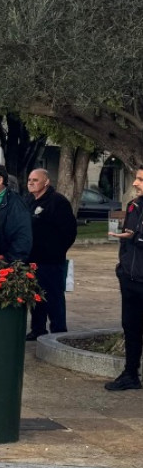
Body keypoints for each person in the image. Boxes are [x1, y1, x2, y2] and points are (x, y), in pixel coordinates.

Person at [24, 168, 78, 340]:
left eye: (35, 180)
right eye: (29, 180)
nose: (31, 183)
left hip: (51, 260)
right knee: (35, 295)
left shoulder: (57, 202)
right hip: (31, 258)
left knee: (53, 296)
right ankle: (38, 329)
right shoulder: (28, 201)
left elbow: (69, 231)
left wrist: (56, 251)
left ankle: (58, 330)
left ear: (46, 182)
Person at [106, 166, 143, 391]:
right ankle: (130, 374)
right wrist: (122, 269)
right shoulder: (134, 206)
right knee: (131, 327)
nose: (136, 183)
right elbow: (127, 240)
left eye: (140, 179)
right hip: (130, 278)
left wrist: (136, 237)